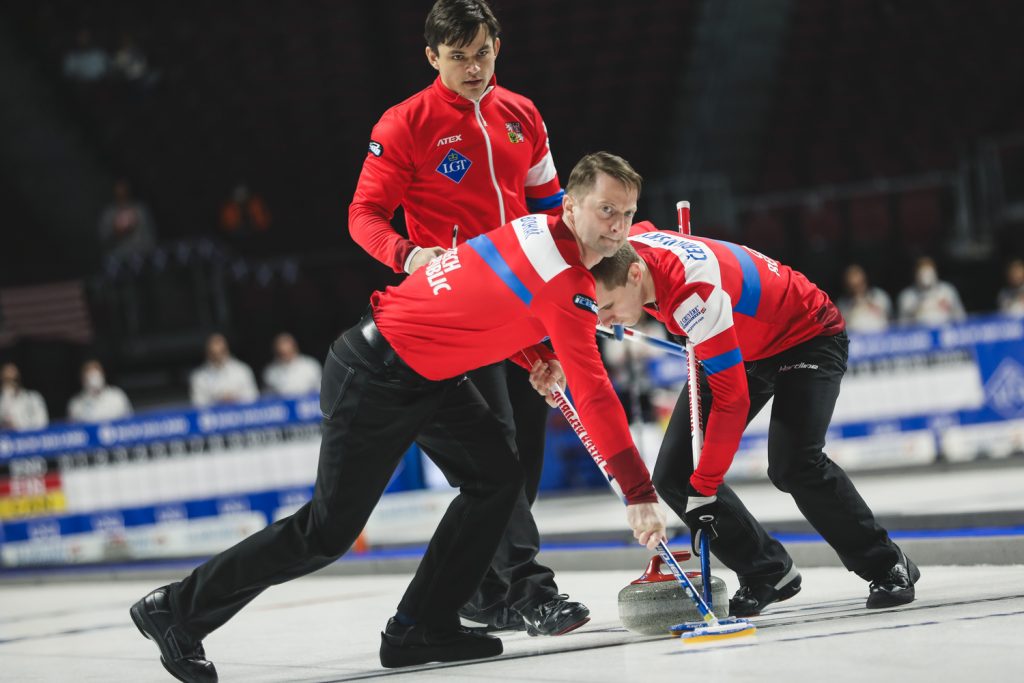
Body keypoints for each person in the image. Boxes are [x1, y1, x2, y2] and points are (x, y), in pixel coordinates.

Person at [130, 152, 666, 680]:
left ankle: (419, 626)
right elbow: (595, 393)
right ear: (571, 207)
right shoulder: (567, 280)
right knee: (325, 533)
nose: (617, 227)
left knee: (498, 480)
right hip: (376, 374)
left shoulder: (530, 229)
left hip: (428, 372)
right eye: (605, 210)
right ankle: (176, 610)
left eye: (626, 212)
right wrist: (639, 494)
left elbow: (481, 304)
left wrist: (534, 357)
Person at [348, 0, 576, 635]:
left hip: (528, 314)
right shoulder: (405, 124)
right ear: (431, 58)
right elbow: (362, 215)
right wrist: (406, 253)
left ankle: (481, 589)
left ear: (497, 44)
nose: (473, 69)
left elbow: (553, 209)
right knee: (497, 450)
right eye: (457, 58)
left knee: (523, 457)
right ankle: (532, 591)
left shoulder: (523, 114)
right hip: (460, 314)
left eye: (482, 53)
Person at [590, 223, 920, 617]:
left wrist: (707, 488)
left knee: (794, 464)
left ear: (635, 274)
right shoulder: (629, 246)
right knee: (674, 475)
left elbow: (732, 400)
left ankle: (886, 563)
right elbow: (640, 228)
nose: (606, 321)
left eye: (608, 308)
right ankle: (767, 570)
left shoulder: (691, 296)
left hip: (806, 333)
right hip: (738, 342)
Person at [189, 334, 259, 407]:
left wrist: (234, 399)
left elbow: (253, 397)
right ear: (207, 353)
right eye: (213, 354)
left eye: (221, 351)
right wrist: (219, 400)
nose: (218, 356)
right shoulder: (199, 377)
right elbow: (198, 404)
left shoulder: (242, 370)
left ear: (227, 350)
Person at [97, 179, 157, 262]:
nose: (121, 191)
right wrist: (117, 231)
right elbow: (103, 239)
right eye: (119, 187)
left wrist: (149, 254)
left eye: (124, 187)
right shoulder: (109, 213)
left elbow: (149, 236)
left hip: (140, 256)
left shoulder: (140, 210)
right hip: (118, 258)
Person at [897, 256, 966, 326]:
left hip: (946, 331)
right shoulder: (907, 297)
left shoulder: (947, 291)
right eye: (922, 274)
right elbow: (902, 325)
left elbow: (960, 317)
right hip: (920, 333)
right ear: (916, 275)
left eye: (929, 273)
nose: (926, 278)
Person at [67, 359, 133, 423]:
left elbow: (130, 422)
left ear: (103, 375)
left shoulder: (117, 396)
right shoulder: (76, 404)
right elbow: (74, 430)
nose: (93, 381)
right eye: (90, 378)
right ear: (83, 381)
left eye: (96, 376)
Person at [837, 263, 892, 333]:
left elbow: (891, 321)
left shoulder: (879, 296)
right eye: (854, 286)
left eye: (859, 284)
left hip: (881, 339)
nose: (857, 288)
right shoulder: (843, 304)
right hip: (856, 342)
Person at [262, 332, 321, 397]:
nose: (285, 357)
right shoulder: (270, 372)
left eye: (288, 352)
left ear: (295, 348)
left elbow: (322, 390)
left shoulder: (310, 365)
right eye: (281, 354)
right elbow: (267, 398)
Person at [0, 363, 48, 431]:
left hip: (30, 438)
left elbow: (42, 423)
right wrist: (7, 396)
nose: (11, 383)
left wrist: (18, 426)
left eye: (14, 379)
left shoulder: (34, 398)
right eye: (7, 379)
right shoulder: (2, 401)